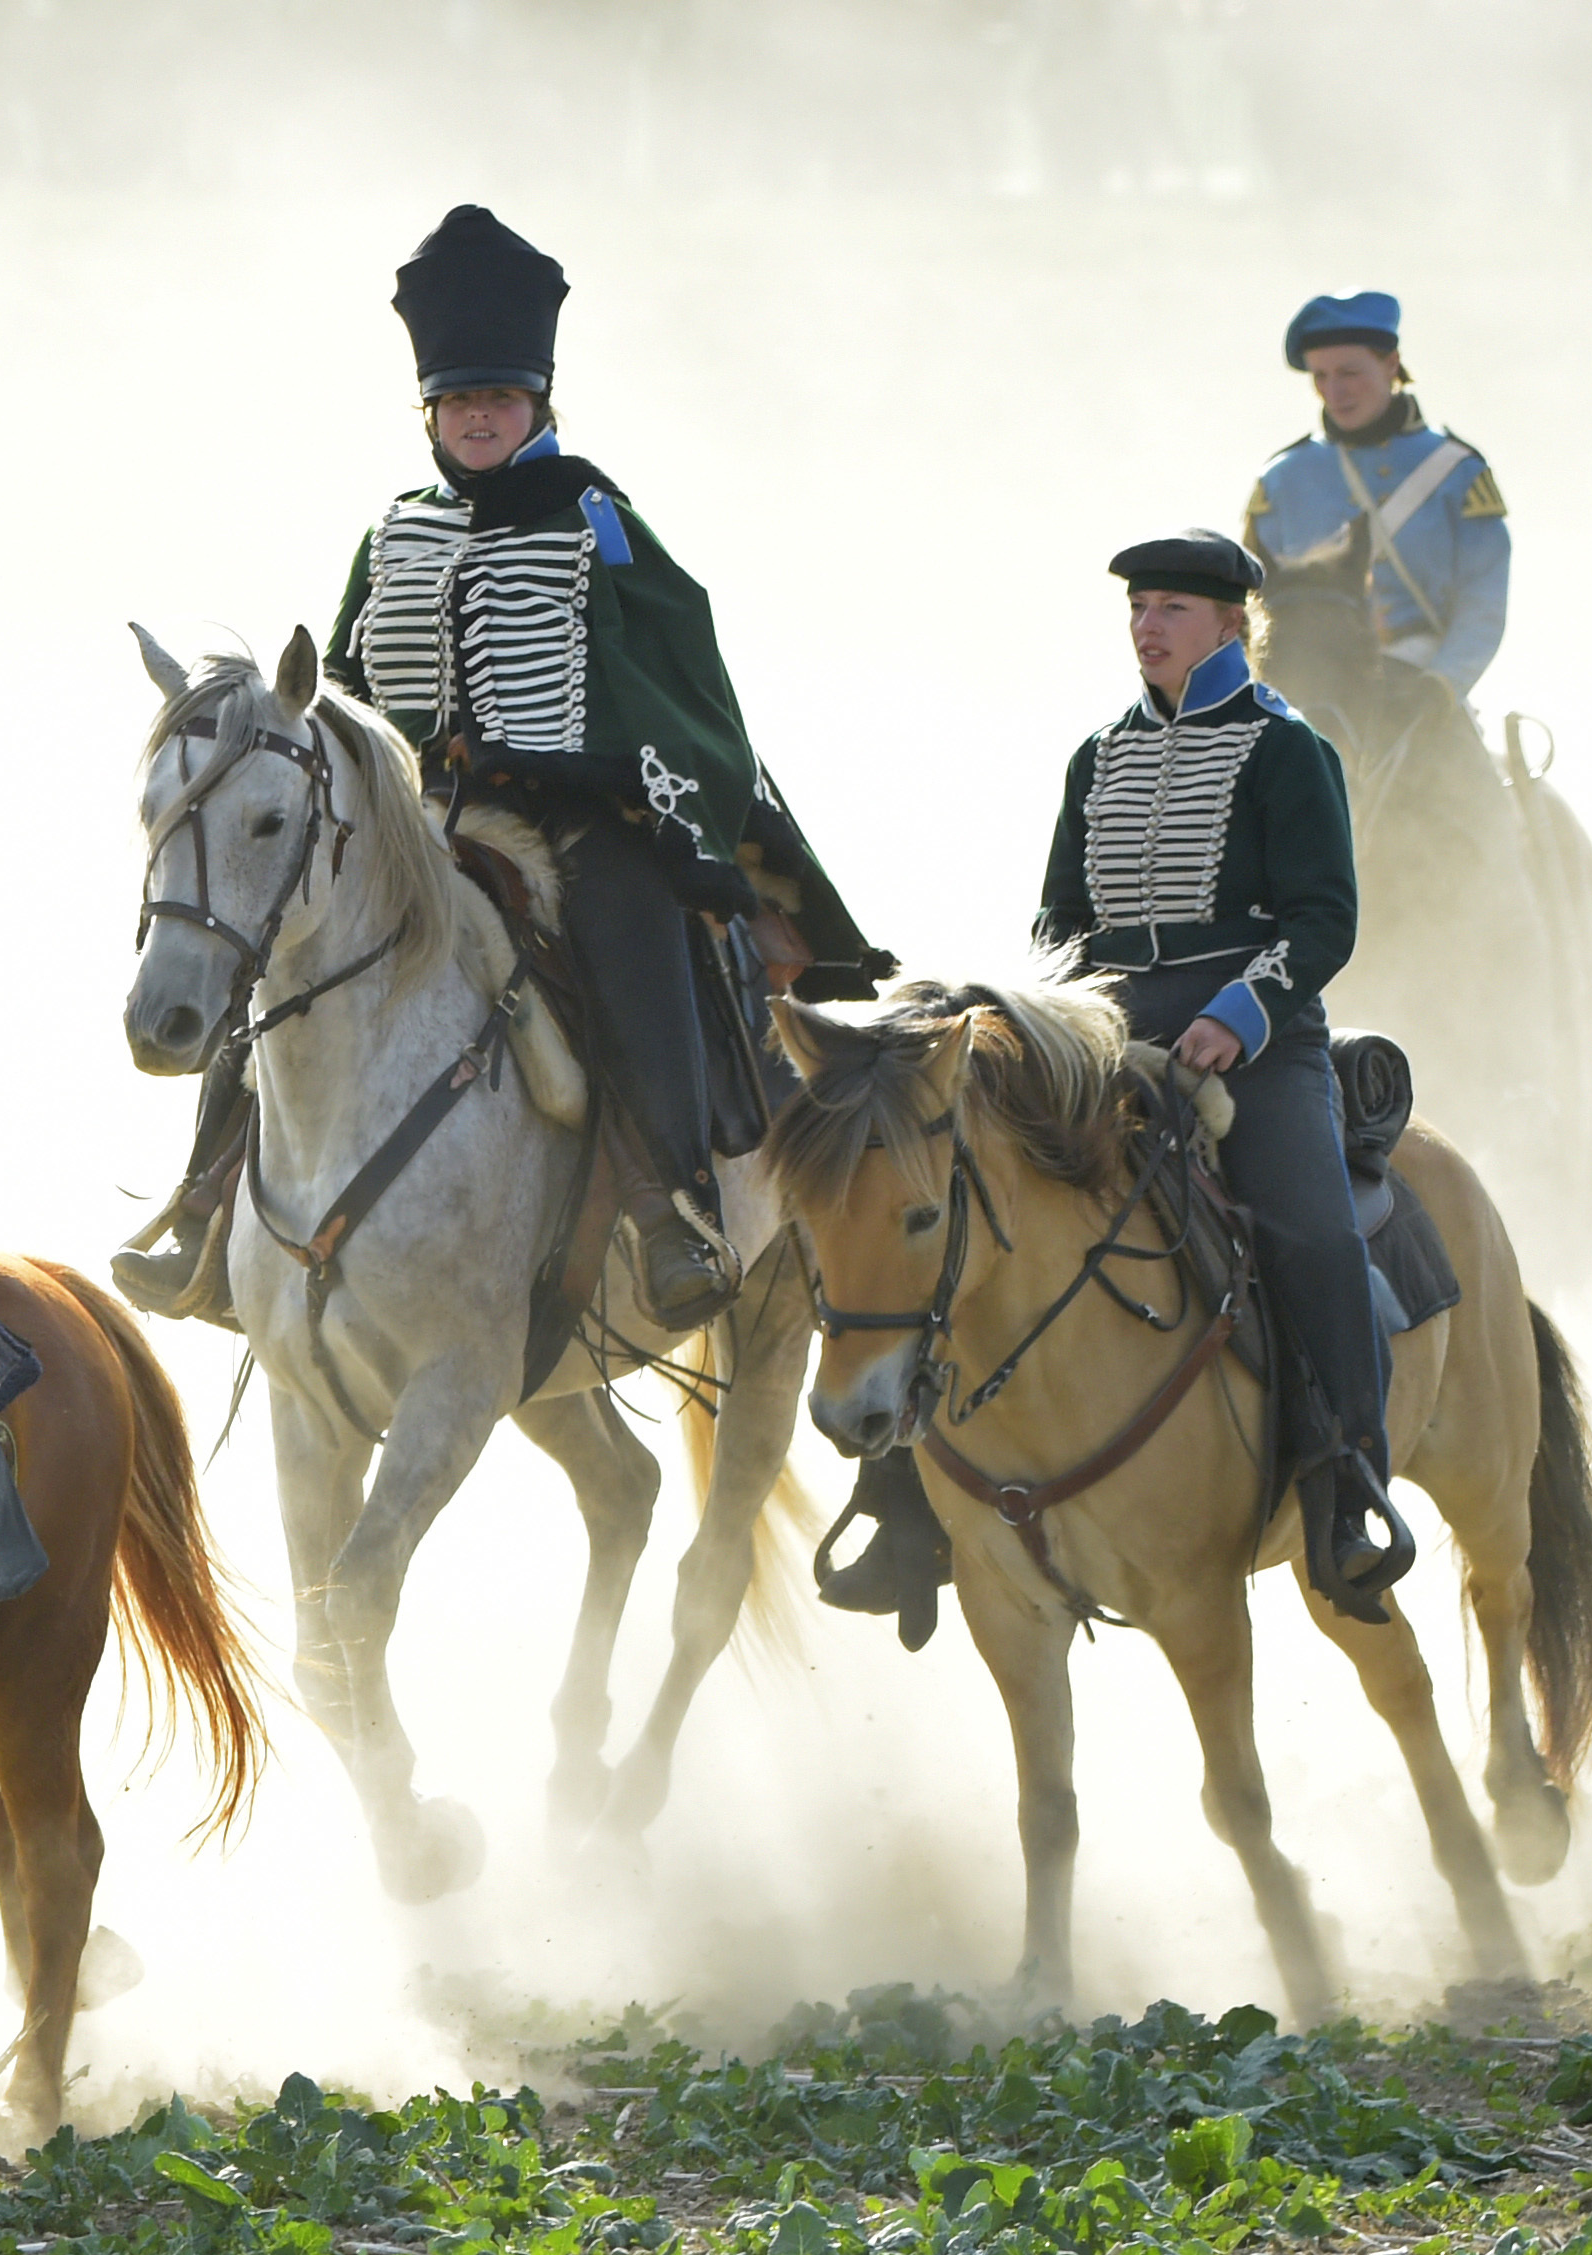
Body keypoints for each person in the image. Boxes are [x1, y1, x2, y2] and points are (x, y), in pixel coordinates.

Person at [113, 203, 887, 1335]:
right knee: (273, 927)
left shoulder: (595, 522)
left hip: (582, 813)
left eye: (497, 399)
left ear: (536, 405)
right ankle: (205, 1207)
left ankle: (671, 1209)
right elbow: (345, 688)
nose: (477, 417)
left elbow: (679, 680)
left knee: (625, 922)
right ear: (429, 410)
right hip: (419, 820)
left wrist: (563, 765)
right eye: (457, 400)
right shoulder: (395, 529)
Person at [821, 532, 1404, 1646]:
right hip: (1104, 1022)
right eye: (1139, 607)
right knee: (961, 1195)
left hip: (1255, 1026)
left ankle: (1345, 1487)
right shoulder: (1098, 755)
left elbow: (1323, 920)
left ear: (1232, 624)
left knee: (1315, 1235)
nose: (1148, 625)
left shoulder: (1284, 749)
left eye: (1173, 608)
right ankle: (906, 1501)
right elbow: (1055, 924)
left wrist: (1235, 1017)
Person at [1240, 291, 1511, 700]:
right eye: (1321, 376)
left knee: (1465, 766)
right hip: (1305, 684)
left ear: (1391, 365)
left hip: (1423, 677)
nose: (1334, 390)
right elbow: (1251, 602)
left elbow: (1483, 602)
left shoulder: (1457, 471)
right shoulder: (1281, 478)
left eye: (1350, 372)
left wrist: (1441, 687)